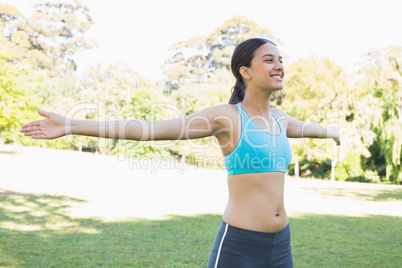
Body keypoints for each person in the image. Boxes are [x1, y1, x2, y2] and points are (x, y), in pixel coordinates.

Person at [20, 38, 340, 267]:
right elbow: (147, 130)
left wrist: (333, 132)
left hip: (280, 244)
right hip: (239, 245)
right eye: (269, 59)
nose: (280, 65)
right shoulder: (226, 117)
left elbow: (306, 128)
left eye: (281, 59)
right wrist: (72, 124)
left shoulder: (281, 119)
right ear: (245, 71)